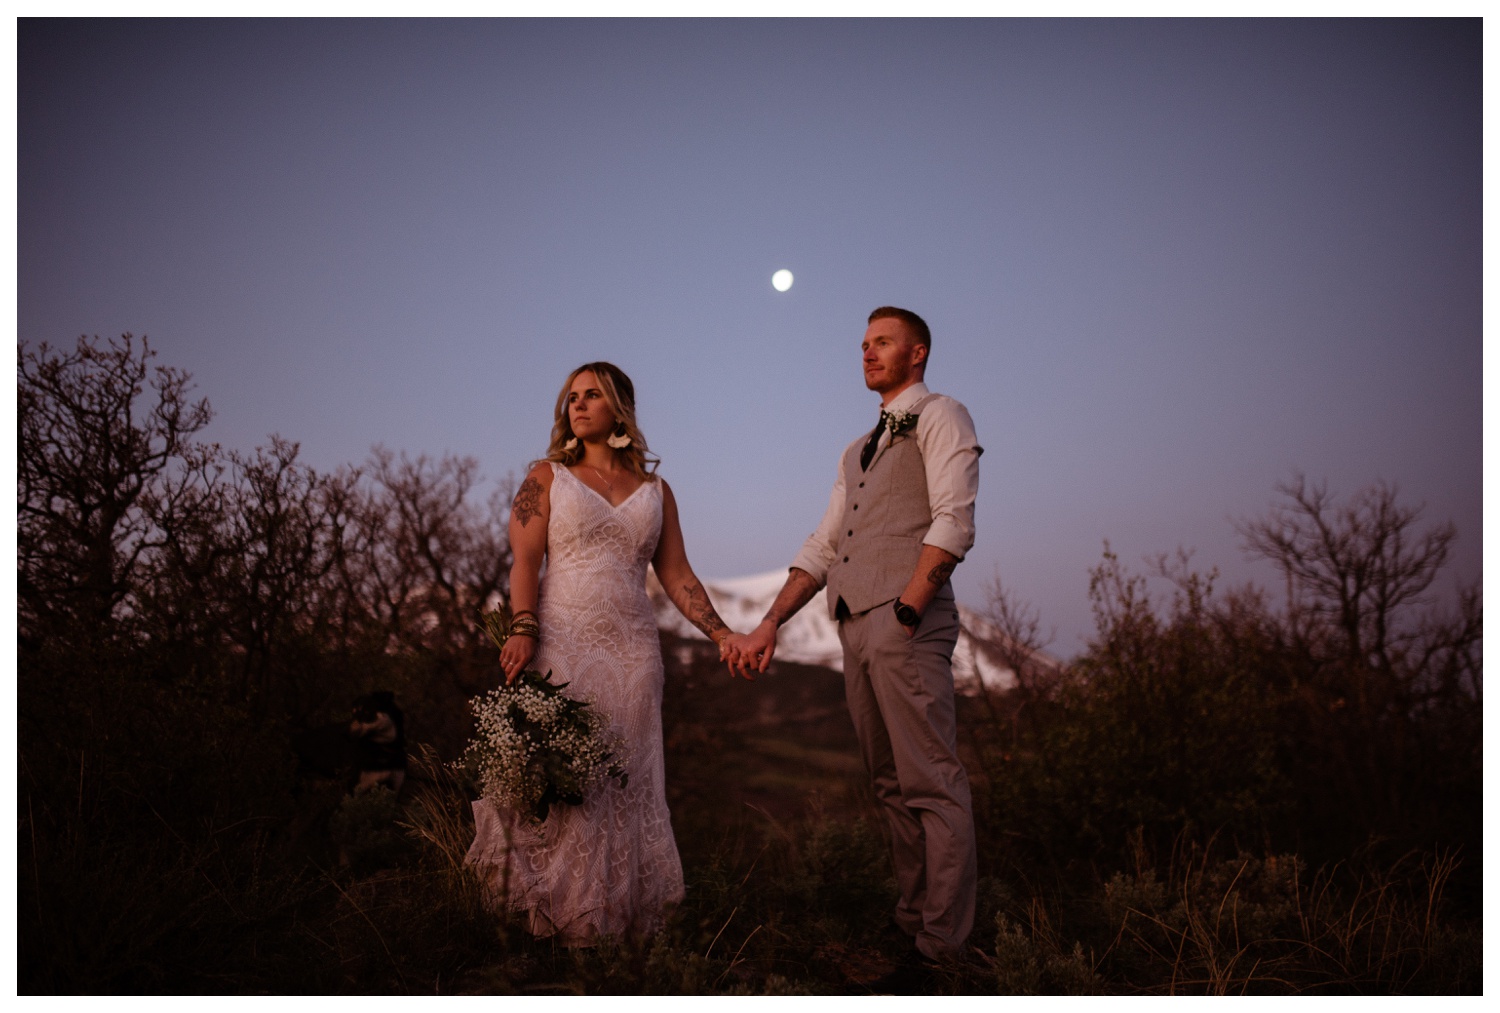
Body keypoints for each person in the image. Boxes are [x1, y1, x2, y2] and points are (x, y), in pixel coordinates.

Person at [735, 306, 982, 973]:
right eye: (864, 344)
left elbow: (954, 520)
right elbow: (823, 544)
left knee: (931, 779)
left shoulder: (942, 415)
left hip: (905, 619)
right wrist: (769, 623)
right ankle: (914, 922)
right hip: (854, 624)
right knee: (888, 783)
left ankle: (943, 947)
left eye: (883, 343)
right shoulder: (856, 448)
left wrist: (910, 606)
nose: (868, 354)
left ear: (918, 352)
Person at [465, 361, 747, 945]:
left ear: (619, 408)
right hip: (561, 640)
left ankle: (615, 932)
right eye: (572, 396)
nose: (579, 404)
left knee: (630, 783)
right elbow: (524, 560)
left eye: (593, 395)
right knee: (567, 779)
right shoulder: (544, 477)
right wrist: (522, 625)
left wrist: (721, 634)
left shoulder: (656, 491)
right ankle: (554, 923)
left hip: (634, 652)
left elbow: (676, 573)